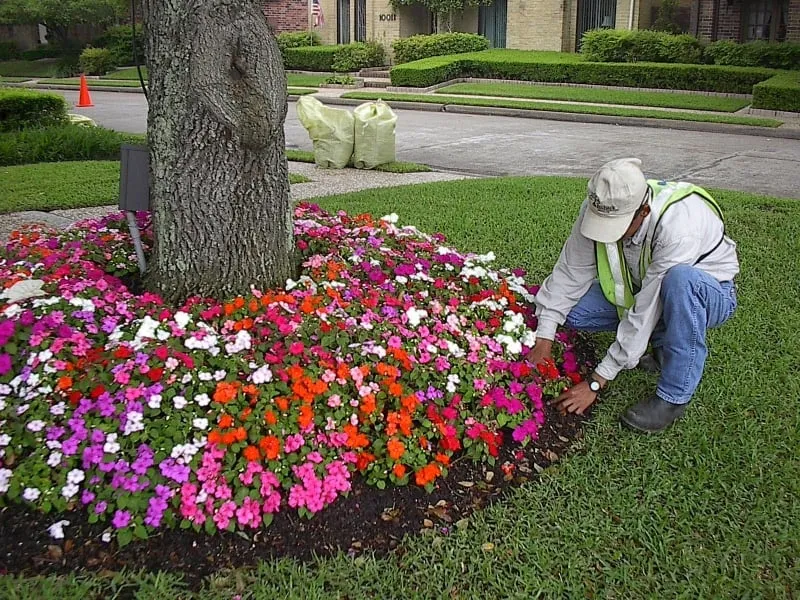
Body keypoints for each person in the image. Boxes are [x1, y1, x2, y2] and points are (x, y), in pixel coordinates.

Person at [528, 158, 739, 432]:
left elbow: (647, 310)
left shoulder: (679, 227)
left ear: (644, 211)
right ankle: (663, 346)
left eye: (616, 226)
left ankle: (675, 395)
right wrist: (544, 338)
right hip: (644, 286)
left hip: (709, 292)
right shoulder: (600, 204)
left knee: (680, 282)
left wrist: (596, 381)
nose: (607, 234)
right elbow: (570, 272)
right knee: (575, 311)